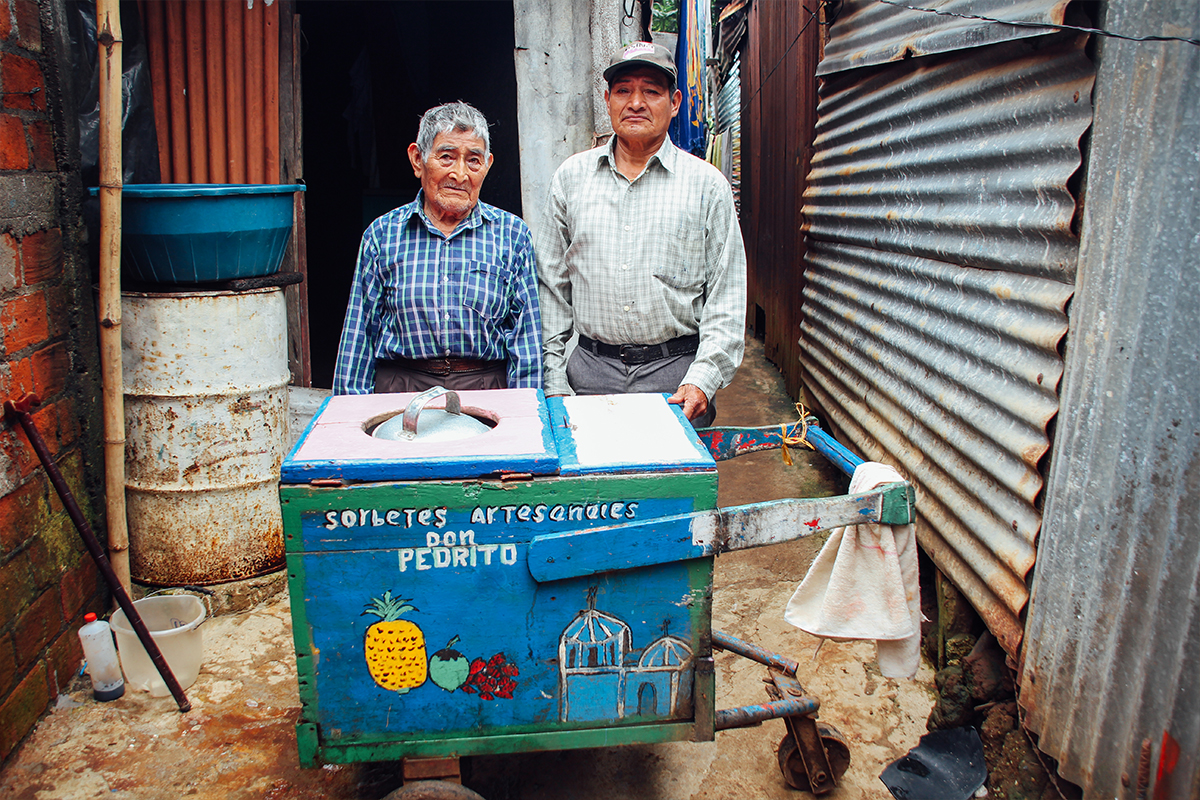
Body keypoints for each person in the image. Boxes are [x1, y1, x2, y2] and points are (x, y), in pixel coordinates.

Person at [535, 42, 746, 427]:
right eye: (623, 91)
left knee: (672, 489)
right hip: (589, 375)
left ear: (675, 101)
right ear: (607, 99)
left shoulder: (706, 186)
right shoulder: (570, 179)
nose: (636, 102)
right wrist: (554, 381)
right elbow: (551, 290)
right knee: (593, 487)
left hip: (676, 378)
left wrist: (702, 381)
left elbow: (726, 298)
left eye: (651, 90)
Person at [333, 101, 542, 394]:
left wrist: (524, 415)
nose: (460, 174)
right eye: (446, 157)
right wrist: (349, 418)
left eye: (473, 160)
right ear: (418, 159)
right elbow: (360, 336)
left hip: (485, 387)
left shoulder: (513, 234)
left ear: (487, 165)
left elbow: (526, 342)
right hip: (401, 386)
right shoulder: (382, 235)